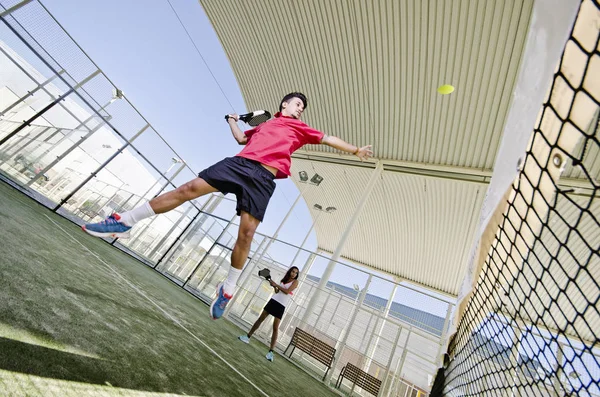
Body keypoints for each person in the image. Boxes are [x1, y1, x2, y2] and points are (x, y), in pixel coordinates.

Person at [82, 92, 373, 320]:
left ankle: (228, 289)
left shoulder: (301, 128)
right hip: (239, 165)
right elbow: (239, 138)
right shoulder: (266, 124)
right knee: (189, 188)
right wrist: (232, 119)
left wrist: (355, 149)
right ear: (284, 104)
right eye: (297, 104)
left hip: (263, 178)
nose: (300, 109)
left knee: (246, 233)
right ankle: (125, 221)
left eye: (302, 107)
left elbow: (329, 138)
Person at [238, 266, 299, 362]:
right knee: (260, 319)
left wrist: (276, 284)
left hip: (281, 306)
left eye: (296, 273)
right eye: (293, 271)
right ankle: (247, 337)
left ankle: (270, 352)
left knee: (275, 328)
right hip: (273, 301)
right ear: (290, 271)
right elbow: (277, 291)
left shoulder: (295, 282)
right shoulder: (284, 279)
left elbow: (287, 291)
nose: (294, 274)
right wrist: (274, 286)